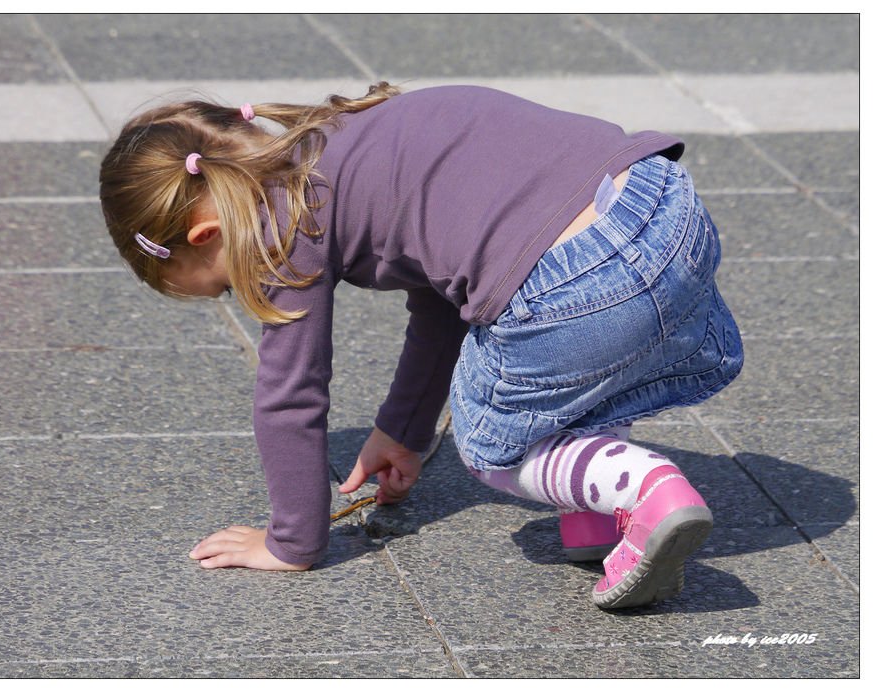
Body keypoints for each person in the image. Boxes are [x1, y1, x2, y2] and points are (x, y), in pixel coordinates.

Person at [98, 84, 743, 609]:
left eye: (219, 290)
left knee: (489, 444)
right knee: (572, 366)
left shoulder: (278, 228)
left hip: (580, 274)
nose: (237, 294)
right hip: (661, 201)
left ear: (207, 234)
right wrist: (402, 431)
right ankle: (592, 514)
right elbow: (442, 298)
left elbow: (290, 395)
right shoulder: (342, 139)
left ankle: (642, 489)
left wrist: (292, 541)